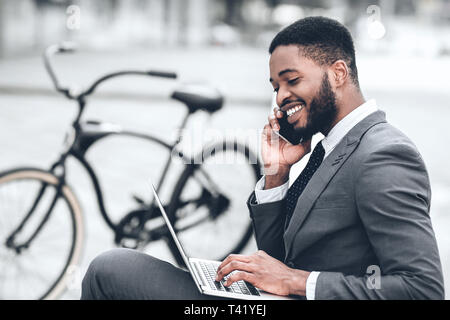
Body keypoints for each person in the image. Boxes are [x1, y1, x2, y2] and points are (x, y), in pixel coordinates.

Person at [80, 16, 444, 300]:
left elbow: (422, 289)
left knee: (110, 270)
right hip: (267, 298)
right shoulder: (329, 145)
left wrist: (297, 281)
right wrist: (276, 174)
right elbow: (277, 259)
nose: (281, 97)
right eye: (276, 87)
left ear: (337, 74)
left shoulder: (383, 154)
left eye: (292, 80)